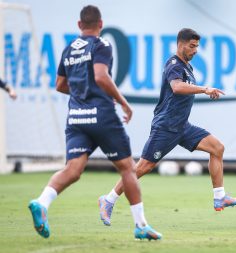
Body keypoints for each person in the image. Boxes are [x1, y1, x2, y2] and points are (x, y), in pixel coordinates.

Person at [28, 5, 162, 240]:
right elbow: (101, 76)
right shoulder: (102, 44)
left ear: (79, 25)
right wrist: (122, 102)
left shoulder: (69, 48)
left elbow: (60, 85)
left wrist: (82, 92)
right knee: (128, 169)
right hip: (102, 116)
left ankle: (42, 202)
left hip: (76, 117)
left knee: (72, 170)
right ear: (100, 25)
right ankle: (141, 225)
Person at [98, 28, 236, 226]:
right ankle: (108, 200)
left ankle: (220, 197)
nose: (195, 50)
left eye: (197, 47)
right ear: (180, 44)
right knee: (142, 167)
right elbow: (177, 87)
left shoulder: (188, 68)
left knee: (217, 148)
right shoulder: (174, 64)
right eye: (192, 46)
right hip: (166, 126)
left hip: (182, 126)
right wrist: (205, 89)